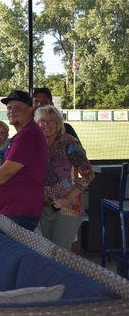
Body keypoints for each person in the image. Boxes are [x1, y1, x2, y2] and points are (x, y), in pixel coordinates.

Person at [0, 90, 48, 231]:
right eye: (9, 107)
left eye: (17, 107)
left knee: (8, 252)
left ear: (30, 110)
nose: (12, 111)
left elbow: (7, 171)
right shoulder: (23, 134)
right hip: (13, 210)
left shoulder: (28, 135)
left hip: (19, 211)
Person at [35, 105, 94, 249]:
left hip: (68, 208)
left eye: (51, 121)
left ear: (59, 124)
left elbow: (88, 175)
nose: (46, 124)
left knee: (59, 255)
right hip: (42, 208)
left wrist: (67, 198)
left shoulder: (69, 143)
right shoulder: (36, 144)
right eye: (42, 121)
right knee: (47, 253)